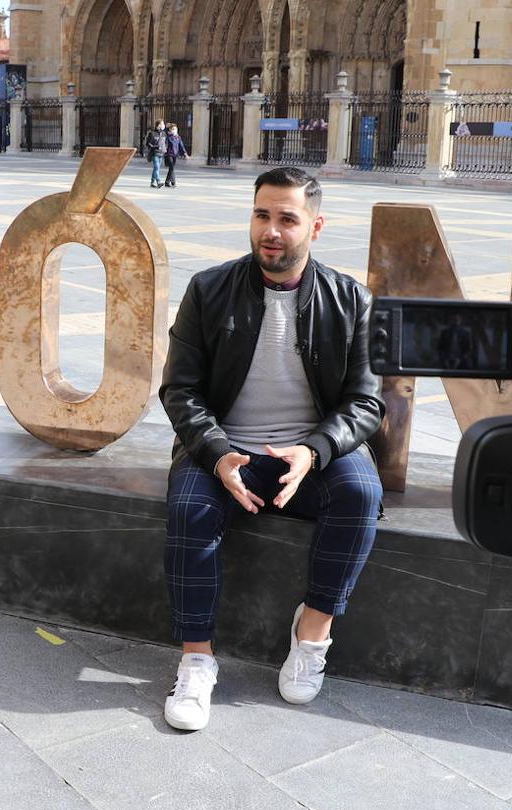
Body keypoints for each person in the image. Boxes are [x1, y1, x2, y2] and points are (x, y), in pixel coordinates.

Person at [158, 166, 385, 731]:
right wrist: (213, 451)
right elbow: (180, 389)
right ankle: (196, 661)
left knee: (360, 496)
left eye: (288, 218)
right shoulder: (209, 289)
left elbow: (365, 402)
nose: (272, 231)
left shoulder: (350, 298)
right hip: (223, 449)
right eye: (262, 215)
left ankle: (312, 635)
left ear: (316, 225)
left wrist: (314, 450)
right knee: (189, 510)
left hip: (309, 455)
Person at [143, 119, 168, 188]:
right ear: (158, 125)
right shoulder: (152, 133)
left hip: (161, 153)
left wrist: (165, 148)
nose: (163, 125)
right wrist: (155, 147)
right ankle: (158, 181)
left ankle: (152, 182)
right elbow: (148, 143)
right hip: (154, 153)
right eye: (162, 124)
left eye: (163, 124)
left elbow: (166, 142)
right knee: (156, 167)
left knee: (156, 168)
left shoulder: (164, 133)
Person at [164, 123, 189, 188]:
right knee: (172, 167)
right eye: (173, 129)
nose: (174, 130)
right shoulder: (168, 137)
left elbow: (181, 146)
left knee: (172, 168)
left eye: (175, 129)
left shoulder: (178, 137)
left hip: (175, 154)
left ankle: (171, 182)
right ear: (170, 130)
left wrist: (185, 153)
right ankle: (170, 182)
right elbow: (165, 145)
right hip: (169, 154)